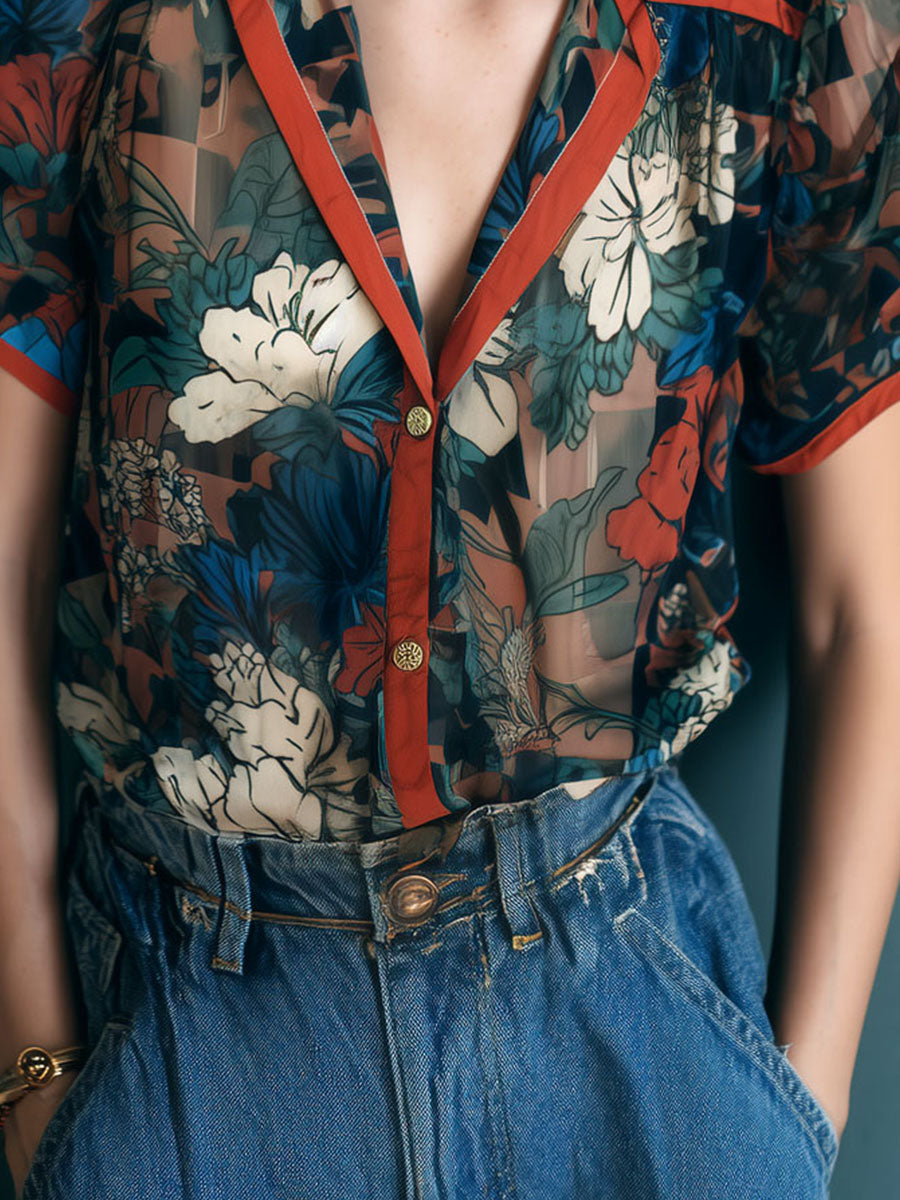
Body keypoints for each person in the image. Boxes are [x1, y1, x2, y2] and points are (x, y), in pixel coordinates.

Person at [0, 0, 898, 1195]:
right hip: (195, 1039)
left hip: (632, 1036)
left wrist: (800, 1109)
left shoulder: (791, 26)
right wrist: (36, 1073)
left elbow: (861, 609)